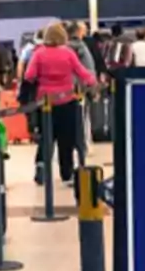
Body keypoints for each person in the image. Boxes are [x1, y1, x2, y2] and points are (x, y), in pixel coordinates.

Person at [24, 22, 98, 184]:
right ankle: (67, 172)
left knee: (46, 137)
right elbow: (82, 72)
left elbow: (29, 75)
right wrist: (93, 83)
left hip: (45, 102)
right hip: (67, 100)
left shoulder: (39, 53)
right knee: (67, 139)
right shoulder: (68, 53)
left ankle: (41, 168)